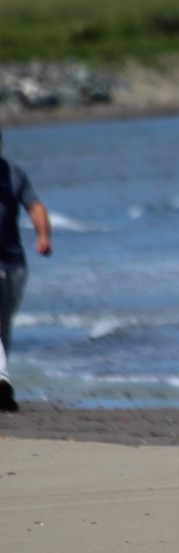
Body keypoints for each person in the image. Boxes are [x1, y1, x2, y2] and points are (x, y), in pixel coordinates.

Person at [0, 126, 52, 412]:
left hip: (13, 262)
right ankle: (2, 376)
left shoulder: (13, 174)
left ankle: (1, 384)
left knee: (3, 323)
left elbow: (35, 206)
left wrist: (43, 235)